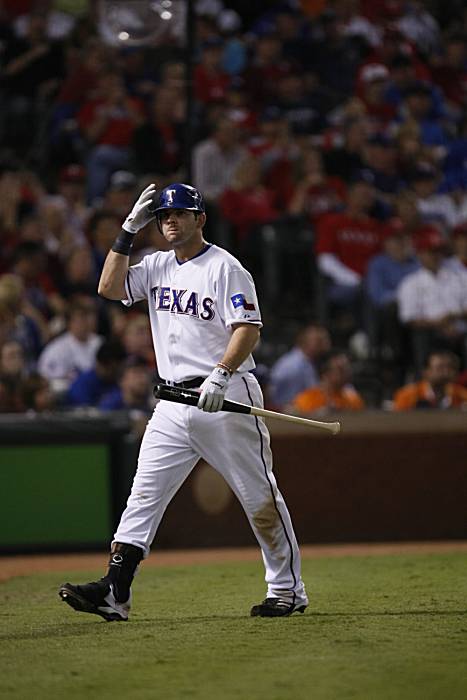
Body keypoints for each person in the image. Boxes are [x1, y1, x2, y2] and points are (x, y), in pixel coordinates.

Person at [59, 182, 308, 620]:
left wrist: (222, 373)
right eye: (163, 216)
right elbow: (108, 288)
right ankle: (115, 592)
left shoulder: (225, 267)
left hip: (223, 393)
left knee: (259, 497)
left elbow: (247, 328)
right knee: (143, 496)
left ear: (200, 219)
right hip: (172, 401)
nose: (170, 221)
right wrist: (126, 231)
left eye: (180, 213)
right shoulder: (155, 265)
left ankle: (287, 590)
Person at [268, 324, 331, 408]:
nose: (325, 346)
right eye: (319, 341)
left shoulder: (309, 362)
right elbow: (288, 403)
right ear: (304, 341)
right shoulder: (293, 365)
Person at [291, 350, 365, 414]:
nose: (347, 373)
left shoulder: (353, 399)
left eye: (347, 369)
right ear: (325, 374)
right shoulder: (305, 400)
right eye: (341, 370)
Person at [392, 350, 467, 410]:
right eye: (440, 368)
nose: (446, 372)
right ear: (426, 371)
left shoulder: (463, 396)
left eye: (450, 368)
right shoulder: (407, 396)